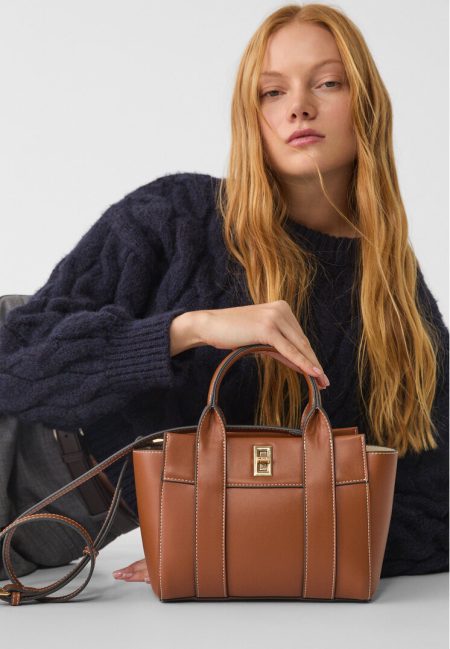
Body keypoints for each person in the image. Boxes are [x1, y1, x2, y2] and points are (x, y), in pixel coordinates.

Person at [0, 2, 448, 590]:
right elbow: (14, 360)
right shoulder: (177, 214)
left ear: (366, 103)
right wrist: (190, 329)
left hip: (65, 519)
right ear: (251, 115)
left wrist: (245, 543)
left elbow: (436, 507)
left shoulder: (392, 296)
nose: (298, 106)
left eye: (327, 83)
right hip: (23, 428)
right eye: (272, 92)